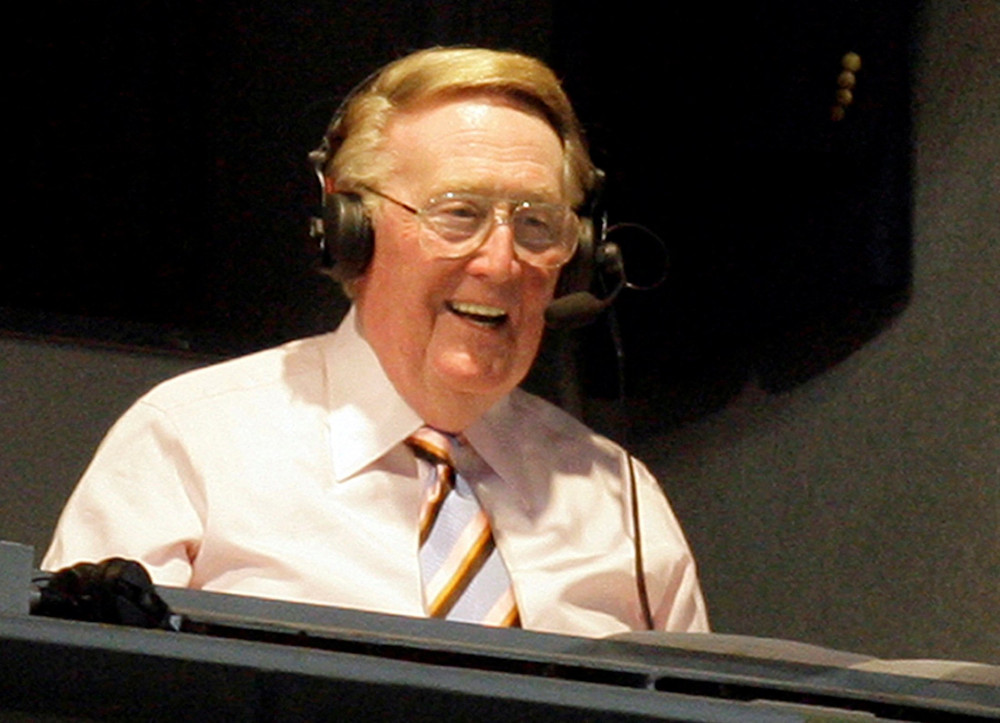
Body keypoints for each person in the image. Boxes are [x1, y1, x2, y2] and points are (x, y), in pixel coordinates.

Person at [43, 47, 708, 637]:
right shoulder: (191, 444)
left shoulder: (619, 497)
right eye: (459, 213)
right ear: (349, 228)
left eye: (538, 223)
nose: (502, 262)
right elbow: (77, 692)